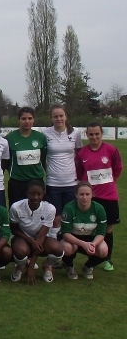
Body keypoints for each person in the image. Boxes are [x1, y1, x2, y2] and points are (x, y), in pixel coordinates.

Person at [75, 122, 122, 271]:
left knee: (108, 228)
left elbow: (117, 168)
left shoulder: (111, 150)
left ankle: (107, 259)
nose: (94, 137)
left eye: (97, 134)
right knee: (92, 228)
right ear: (86, 135)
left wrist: (110, 183)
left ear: (102, 134)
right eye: (91, 134)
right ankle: (94, 257)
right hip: (91, 197)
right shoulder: (82, 153)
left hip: (109, 196)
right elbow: (79, 172)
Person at [9, 180, 64, 284]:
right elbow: (14, 230)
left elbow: (41, 237)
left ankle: (47, 265)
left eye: (39, 194)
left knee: (58, 249)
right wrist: (30, 240)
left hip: (41, 239)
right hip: (22, 238)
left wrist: (31, 267)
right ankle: (20, 266)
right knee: (20, 251)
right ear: (27, 193)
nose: (35, 197)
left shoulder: (50, 209)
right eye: (32, 194)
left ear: (43, 194)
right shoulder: (16, 207)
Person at [41, 104, 82, 236]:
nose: (59, 119)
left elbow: (79, 155)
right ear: (51, 118)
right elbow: (42, 157)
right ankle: (55, 251)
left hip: (71, 183)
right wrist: (48, 170)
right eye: (55, 116)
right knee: (56, 218)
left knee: (68, 217)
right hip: (53, 183)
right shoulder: (45, 134)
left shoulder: (75, 132)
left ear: (66, 116)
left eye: (61, 115)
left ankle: (67, 249)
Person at [60, 182, 108, 280]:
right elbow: (65, 234)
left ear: (92, 195)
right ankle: (69, 266)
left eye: (87, 194)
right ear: (76, 195)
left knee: (103, 250)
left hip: (91, 238)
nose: (84, 197)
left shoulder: (99, 208)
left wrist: (93, 244)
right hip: (73, 239)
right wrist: (83, 244)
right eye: (81, 194)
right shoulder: (69, 208)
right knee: (66, 248)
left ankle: (88, 266)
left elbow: (101, 233)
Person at [5, 107, 47, 205]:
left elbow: (43, 158)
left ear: (34, 120)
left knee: (37, 210)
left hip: (36, 181)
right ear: (18, 120)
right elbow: (6, 160)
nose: (27, 121)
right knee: (16, 211)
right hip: (17, 182)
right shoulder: (10, 138)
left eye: (30, 118)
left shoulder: (40, 137)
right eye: (23, 118)